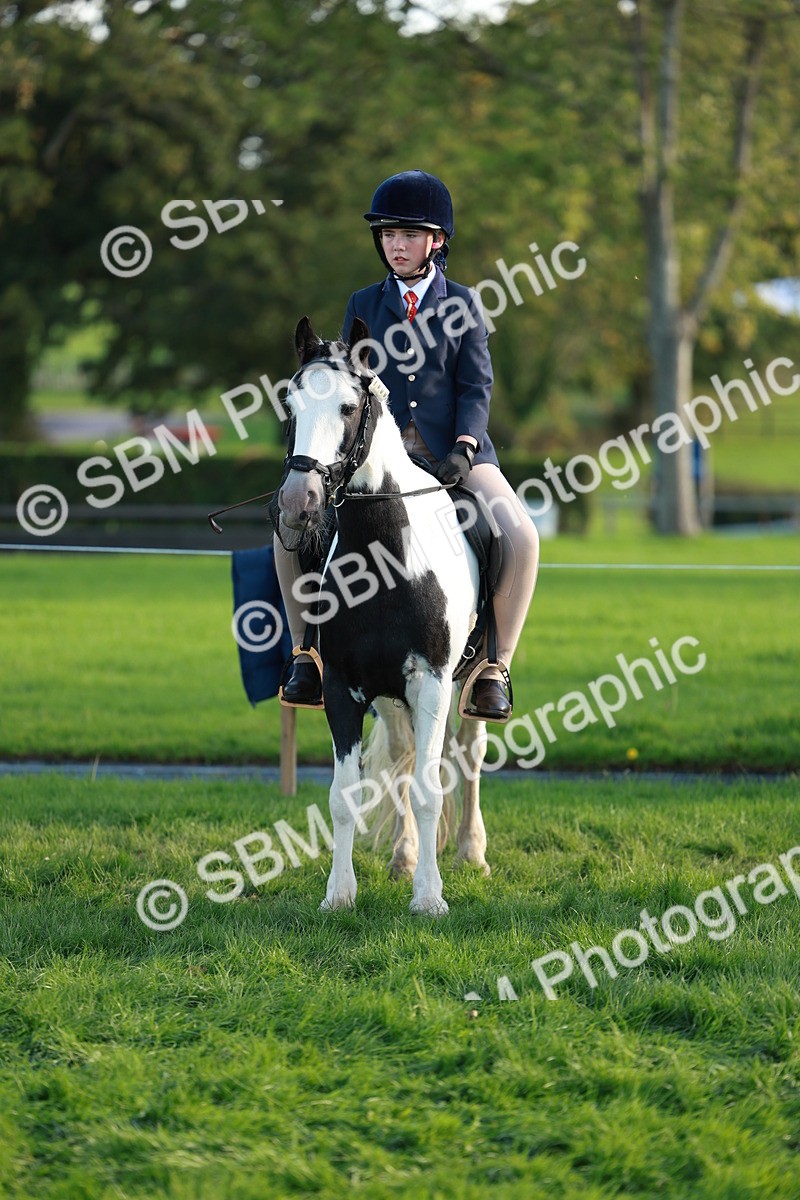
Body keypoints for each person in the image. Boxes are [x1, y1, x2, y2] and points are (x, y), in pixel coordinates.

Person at [275, 169, 539, 719]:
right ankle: (307, 655)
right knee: (288, 530)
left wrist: (465, 447)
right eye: (388, 236)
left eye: (409, 235)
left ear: (435, 241)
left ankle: (495, 667)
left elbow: (476, 386)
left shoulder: (464, 304)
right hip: (375, 459)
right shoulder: (362, 302)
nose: (396, 245)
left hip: (455, 455)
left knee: (521, 536)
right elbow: (344, 380)